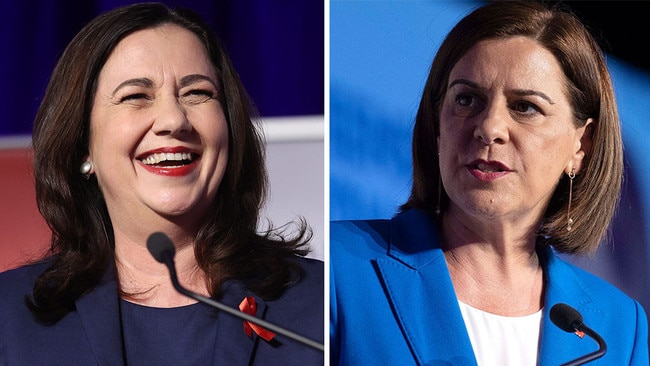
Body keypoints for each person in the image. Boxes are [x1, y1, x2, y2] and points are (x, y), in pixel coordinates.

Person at [0, 3, 323, 365]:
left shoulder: (320, 309)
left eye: (197, 93)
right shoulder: (9, 320)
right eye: (136, 96)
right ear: (81, 146)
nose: (173, 119)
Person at [330, 1, 648, 365]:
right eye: (467, 100)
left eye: (525, 107)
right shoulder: (339, 269)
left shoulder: (619, 327)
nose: (489, 128)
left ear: (580, 146)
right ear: (437, 127)